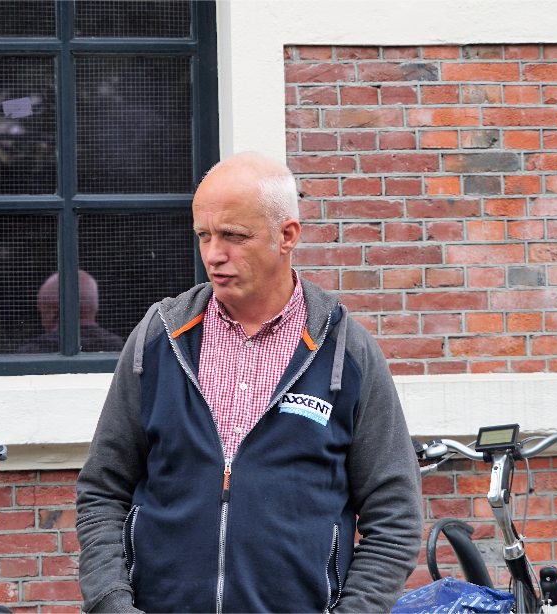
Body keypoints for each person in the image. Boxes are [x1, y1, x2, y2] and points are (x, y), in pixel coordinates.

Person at [75, 151, 422, 613]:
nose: (213, 255)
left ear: (287, 236)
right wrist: (111, 604)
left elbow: (395, 518)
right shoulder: (159, 339)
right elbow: (103, 490)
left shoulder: (347, 351)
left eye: (234, 236)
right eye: (204, 235)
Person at [17, 271, 124, 354]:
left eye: (42, 312)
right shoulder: (120, 349)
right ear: (94, 307)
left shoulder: (33, 352)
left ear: (52, 313)